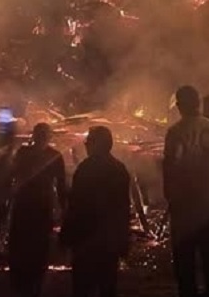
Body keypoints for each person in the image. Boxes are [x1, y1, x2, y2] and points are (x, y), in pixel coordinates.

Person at [163, 85, 209, 297]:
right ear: (198, 103)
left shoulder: (176, 132)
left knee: (185, 259)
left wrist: (170, 195)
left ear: (180, 105)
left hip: (186, 204)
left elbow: (170, 166)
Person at [60, 126, 131, 297]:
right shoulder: (119, 169)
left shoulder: (85, 169)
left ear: (97, 144)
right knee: (107, 287)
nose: (86, 145)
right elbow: (123, 208)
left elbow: (76, 204)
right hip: (109, 241)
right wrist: (123, 240)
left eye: (89, 141)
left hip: (86, 240)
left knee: (83, 288)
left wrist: (67, 236)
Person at [8, 123, 67, 297]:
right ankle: (31, 285)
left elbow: (11, 176)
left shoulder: (25, 153)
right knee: (35, 248)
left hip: (29, 207)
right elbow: (61, 186)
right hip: (36, 207)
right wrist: (63, 209)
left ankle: (26, 285)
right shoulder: (53, 155)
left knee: (27, 247)